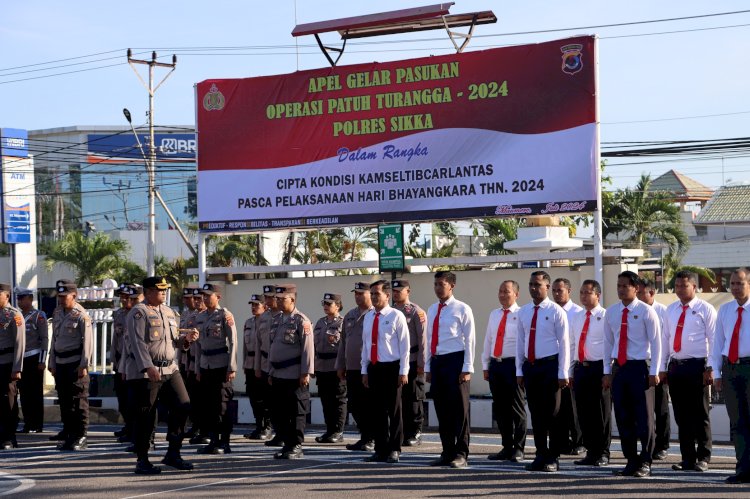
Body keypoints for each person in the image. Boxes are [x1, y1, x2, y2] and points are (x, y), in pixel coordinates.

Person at [128, 276, 193, 475]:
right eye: (159, 290)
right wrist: (148, 367)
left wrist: (186, 340)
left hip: (170, 369)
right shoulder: (139, 313)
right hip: (150, 372)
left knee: (183, 404)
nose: (163, 293)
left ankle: (173, 452)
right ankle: (143, 459)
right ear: (147, 292)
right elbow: (137, 342)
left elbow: (173, 342)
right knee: (146, 415)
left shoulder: (169, 312)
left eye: (165, 290)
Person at [603, 270, 661, 478]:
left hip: (640, 368)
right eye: (618, 285)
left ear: (636, 288)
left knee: (644, 418)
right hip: (620, 369)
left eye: (625, 286)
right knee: (623, 416)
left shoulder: (646, 311)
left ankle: (645, 461)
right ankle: (631, 460)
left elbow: (656, 342)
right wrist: (606, 371)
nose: (620, 289)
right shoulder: (611, 312)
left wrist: (654, 370)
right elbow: (608, 342)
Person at [660, 270, 716, 472]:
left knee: (700, 413)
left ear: (694, 287)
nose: (680, 290)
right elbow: (666, 339)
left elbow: (714, 340)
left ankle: (704, 457)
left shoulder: (706, 309)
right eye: (677, 286)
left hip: (698, 366)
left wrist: (710, 367)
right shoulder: (671, 310)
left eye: (684, 285)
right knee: (681, 415)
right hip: (676, 367)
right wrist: (662, 368)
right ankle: (687, 458)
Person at [516, 270, 570, 473]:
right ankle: (540, 454)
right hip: (531, 367)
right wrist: (519, 370)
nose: (533, 288)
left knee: (553, 413)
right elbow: (520, 342)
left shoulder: (556, 311)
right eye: (531, 284)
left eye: (537, 285)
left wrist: (563, 372)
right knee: (536, 414)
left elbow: (564, 343)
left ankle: (553, 457)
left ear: (547, 287)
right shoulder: (523, 311)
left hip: (550, 366)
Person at [426, 271, 476, 469]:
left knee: (459, 411)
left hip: (456, 361)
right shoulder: (432, 309)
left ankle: (461, 453)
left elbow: (470, 339)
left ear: (451, 285)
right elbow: (430, 340)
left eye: (441, 284)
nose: (438, 288)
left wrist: (467, 367)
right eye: (436, 284)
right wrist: (429, 366)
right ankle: (447, 452)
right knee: (442, 410)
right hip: (438, 362)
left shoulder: (462, 309)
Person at [361, 280, 409, 464]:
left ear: (387, 296)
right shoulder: (368, 316)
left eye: (377, 294)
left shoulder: (397, 316)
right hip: (374, 367)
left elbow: (404, 346)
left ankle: (395, 449)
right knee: (377, 411)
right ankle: (380, 448)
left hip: (392, 368)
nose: (373, 297)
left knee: (394, 411)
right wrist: (364, 370)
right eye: (371, 294)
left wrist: (404, 371)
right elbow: (365, 346)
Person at [712, 268, 750, 484]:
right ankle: (743, 469)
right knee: (737, 422)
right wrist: (716, 372)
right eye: (732, 283)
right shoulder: (725, 310)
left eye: (740, 283)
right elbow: (718, 344)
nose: (735, 287)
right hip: (731, 369)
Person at [268, 284, 314, 459]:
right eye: (277, 299)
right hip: (278, 374)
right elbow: (272, 347)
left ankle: (296, 445)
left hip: (294, 374)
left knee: (296, 412)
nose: (278, 302)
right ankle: (287, 443)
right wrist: (271, 371)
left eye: (282, 299)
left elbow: (308, 349)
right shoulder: (277, 319)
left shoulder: (301, 320)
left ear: (292, 300)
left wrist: (305, 373)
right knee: (280, 412)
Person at [191, 283, 237, 455]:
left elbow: (233, 342)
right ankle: (213, 440)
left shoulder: (224, 315)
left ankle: (224, 442)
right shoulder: (201, 317)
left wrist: (231, 367)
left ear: (218, 297)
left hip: (221, 365)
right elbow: (197, 346)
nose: (204, 298)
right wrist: (197, 368)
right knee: (208, 405)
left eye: (208, 295)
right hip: (205, 365)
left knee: (222, 405)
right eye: (203, 295)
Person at [483, 280, 526, 462]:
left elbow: (524, 343)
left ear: (516, 294)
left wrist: (520, 370)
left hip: (513, 365)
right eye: (500, 291)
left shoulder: (522, 313)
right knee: (501, 409)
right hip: (496, 365)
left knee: (517, 408)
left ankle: (519, 447)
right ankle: (506, 446)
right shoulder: (494, 314)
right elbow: (488, 340)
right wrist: (486, 365)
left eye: (506, 292)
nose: (502, 295)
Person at [570, 280, 611, 467]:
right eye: (581, 292)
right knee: (584, 413)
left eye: (588, 292)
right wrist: (570, 371)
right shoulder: (577, 317)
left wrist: (607, 371)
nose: (584, 296)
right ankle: (590, 451)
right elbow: (572, 343)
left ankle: (603, 452)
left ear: (598, 295)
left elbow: (610, 345)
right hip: (581, 368)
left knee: (601, 413)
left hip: (599, 368)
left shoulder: (606, 316)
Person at [49, 281, 92, 451]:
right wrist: (51, 362)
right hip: (60, 364)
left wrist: (84, 364)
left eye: (63, 296)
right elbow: (54, 339)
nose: (60, 299)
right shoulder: (58, 312)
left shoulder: (81, 315)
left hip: (75, 364)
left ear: (74, 296)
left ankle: (82, 436)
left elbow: (88, 342)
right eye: (59, 296)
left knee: (79, 401)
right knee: (65, 403)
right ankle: (70, 435)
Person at [336, 282, 375, 452]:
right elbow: (343, 342)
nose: (357, 296)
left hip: (369, 368)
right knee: (355, 405)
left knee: (369, 405)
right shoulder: (350, 315)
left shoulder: (375, 314)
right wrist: (340, 364)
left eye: (361, 293)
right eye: (356, 294)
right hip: (351, 367)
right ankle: (364, 436)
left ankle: (372, 437)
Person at [637, 278, 672, 461]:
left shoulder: (663, 312)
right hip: (642, 365)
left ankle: (662, 445)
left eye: (641, 292)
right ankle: (646, 444)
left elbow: (665, 342)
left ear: (651, 293)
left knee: (661, 406)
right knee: (644, 408)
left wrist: (662, 368)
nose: (638, 295)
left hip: (658, 364)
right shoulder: (635, 310)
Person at [391, 279, 427, 447]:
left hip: (413, 361)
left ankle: (416, 432)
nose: (396, 293)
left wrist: (421, 364)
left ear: (408, 292)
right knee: (399, 398)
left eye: (400, 290)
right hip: (396, 362)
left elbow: (423, 340)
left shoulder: (415, 312)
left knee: (414, 397)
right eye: (394, 291)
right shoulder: (390, 312)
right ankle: (402, 431)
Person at [552, 277, 585, 456]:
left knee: (573, 406)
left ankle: (579, 441)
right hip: (553, 364)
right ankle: (562, 441)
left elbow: (575, 341)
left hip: (571, 364)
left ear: (569, 291)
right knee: (559, 407)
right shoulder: (550, 310)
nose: (557, 294)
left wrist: (570, 368)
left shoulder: (577, 312)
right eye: (554, 290)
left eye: (560, 290)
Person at [313, 292, 346, 444]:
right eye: (324, 303)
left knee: (338, 400)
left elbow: (344, 346)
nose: (325, 306)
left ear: (337, 305)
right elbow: (313, 346)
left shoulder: (342, 323)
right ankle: (329, 430)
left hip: (335, 366)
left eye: (329, 304)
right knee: (326, 400)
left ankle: (338, 431)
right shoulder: (320, 323)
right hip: (321, 367)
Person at [15, 287, 47, 434]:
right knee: (24, 393)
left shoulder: (39, 316)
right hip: (22, 360)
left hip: (34, 358)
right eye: (18, 299)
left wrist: (42, 360)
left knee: (35, 393)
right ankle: (28, 423)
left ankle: (37, 424)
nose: (20, 301)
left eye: (22, 298)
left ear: (30, 299)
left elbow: (44, 339)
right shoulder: (17, 316)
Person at [243, 293, 272, 440]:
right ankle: (258, 426)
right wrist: (243, 364)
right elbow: (245, 346)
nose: (253, 307)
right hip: (250, 363)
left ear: (265, 306)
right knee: (253, 397)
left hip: (262, 364)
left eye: (257, 305)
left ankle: (267, 427)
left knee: (264, 398)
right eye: (252, 305)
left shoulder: (268, 321)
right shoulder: (248, 322)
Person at [257, 284, 283, 447]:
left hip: (280, 365)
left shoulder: (284, 316)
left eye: (270, 297)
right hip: (266, 364)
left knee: (281, 402)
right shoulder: (264, 317)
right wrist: (258, 366)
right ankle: (275, 431)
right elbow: (259, 343)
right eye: (265, 297)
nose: (267, 300)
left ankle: (282, 433)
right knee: (270, 402)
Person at [110, 284, 136, 442]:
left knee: (131, 398)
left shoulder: (136, 314)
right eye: (122, 297)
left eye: (127, 297)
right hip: (119, 360)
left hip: (131, 362)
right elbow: (116, 338)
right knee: (122, 398)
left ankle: (133, 429)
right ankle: (128, 426)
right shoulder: (119, 314)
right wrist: (113, 358)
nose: (124, 300)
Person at [184, 288, 209, 445]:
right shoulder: (193, 317)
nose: (198, 301)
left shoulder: (210, 317)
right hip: (192, 362)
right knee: (194, 398)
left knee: (203, 399)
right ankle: (196, 426)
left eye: (200, 299)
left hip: (203, 363)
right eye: (196, 299)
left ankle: (204, 429)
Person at [0, 283, 24, 449]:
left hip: (8, 363)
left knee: (9, 401)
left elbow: (19, 344)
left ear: (6, 296)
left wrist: (17, 368)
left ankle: (10, 437)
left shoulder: (14, 315)